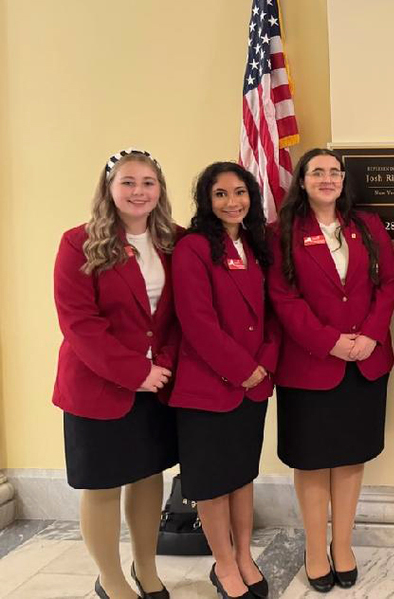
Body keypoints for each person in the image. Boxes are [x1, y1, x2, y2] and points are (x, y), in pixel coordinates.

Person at [268, 148, 394, 593]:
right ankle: (314, 548)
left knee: (349, 456)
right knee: (311, 459)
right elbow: (283, 298)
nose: (327, 178)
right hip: (309, 366)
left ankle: (342, 546)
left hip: (364, 361)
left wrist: (370, 336)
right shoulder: (282, 232)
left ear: (344, 179)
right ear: (301, 181)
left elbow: (388, 283)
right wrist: (330, 342)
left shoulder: (367, 225)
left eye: (334, 172)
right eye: (317, 172)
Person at [53, 148, 179, 599]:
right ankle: (110, 578)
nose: (138, 191)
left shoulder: (174, 241)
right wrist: (135, 372)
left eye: (148, 182)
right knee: (102, 484)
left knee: (148, 477)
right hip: (98, 386)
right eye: (128, 182)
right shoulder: (78, 243)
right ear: (109, 189)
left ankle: (146, 569)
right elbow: (79, 323)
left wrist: (160, 364)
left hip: (158, 384)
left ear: (159, 189)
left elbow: (179, 315)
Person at [171, 162, 279, 599]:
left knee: (241, 476)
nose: (232, 202)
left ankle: (245, 555)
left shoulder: (256, 246)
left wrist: (263, 366)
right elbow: (196, 321)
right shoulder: (193, 248)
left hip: (253, 385)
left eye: (240, 192)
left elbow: (272, 314)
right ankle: (224, 564)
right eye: (221, 194)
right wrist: (241, 368)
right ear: (206, 201)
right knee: (213, 483)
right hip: (208, 385)